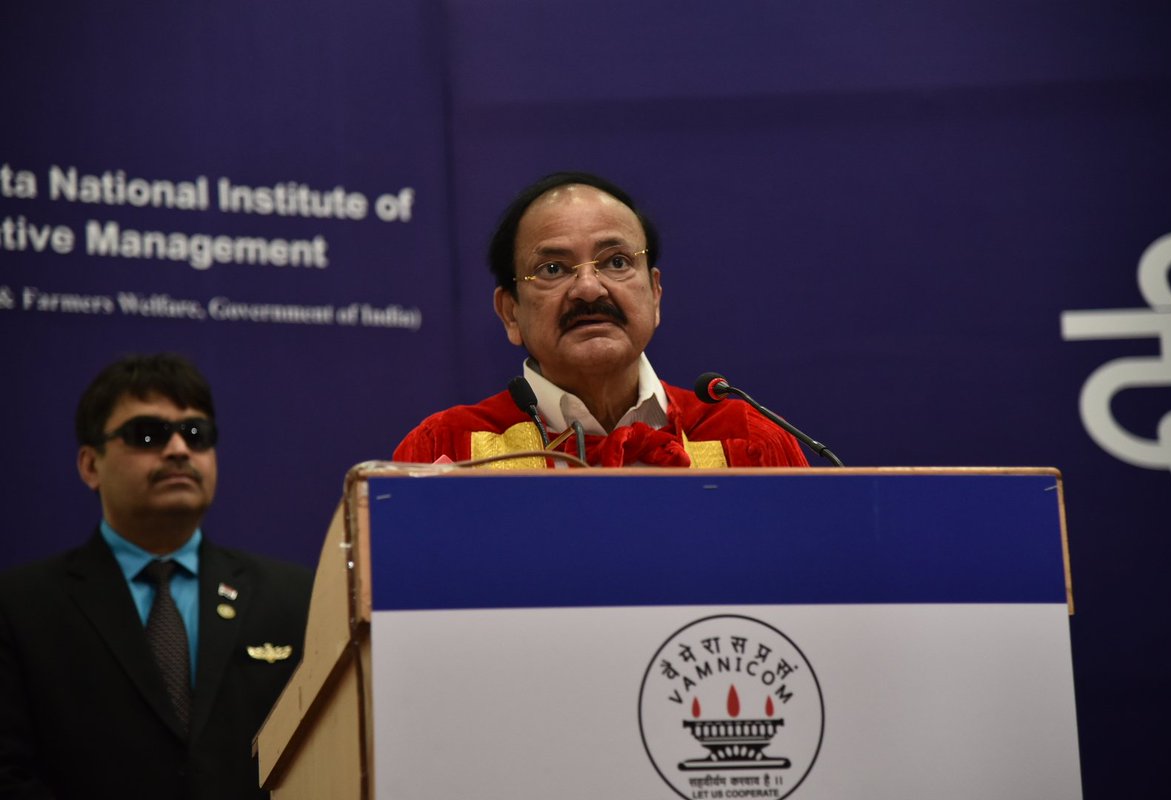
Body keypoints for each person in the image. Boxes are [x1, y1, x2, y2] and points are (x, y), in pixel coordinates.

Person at [0, 353, 313, 799]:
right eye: (147, 434)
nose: (179, 450)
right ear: (90, 465)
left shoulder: (293, 598)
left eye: (195, 434)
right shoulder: (19, 608)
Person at [393, 172, 809, 468]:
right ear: (510, 313)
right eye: (553, 268)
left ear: (655, 293)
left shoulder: (748, 442)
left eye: (616, 261)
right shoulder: (447, 450)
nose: (589, 289)